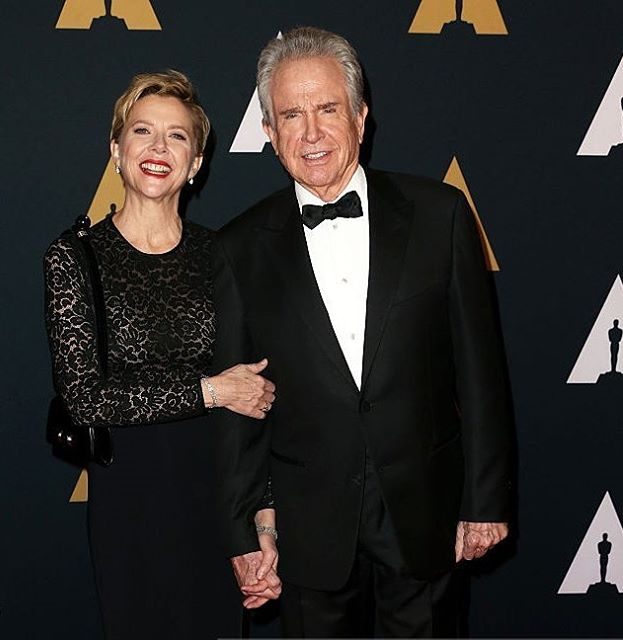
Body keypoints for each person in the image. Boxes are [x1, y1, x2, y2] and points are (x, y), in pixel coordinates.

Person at [213, 27, 513, 638]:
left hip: (426, 510)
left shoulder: (440, 214)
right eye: (290, 115)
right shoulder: (239, 247)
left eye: (327, 109)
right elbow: (242, 403)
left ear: (360, 115)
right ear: (268, 131)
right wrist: (246, 527)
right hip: (308, 525)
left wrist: (484, 501)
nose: (311, 133)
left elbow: (481, 373)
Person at [44, 70, 277, 640]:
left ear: (195, 162)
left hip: (217, 497)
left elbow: (254, 396)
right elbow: (86, 400)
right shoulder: (75, 258)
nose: (158, 147)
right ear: (116, 150)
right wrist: (211, 390)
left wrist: (263, 519)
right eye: (142, 131)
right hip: (130, 499)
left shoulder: (222, 254)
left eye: (177, 136)